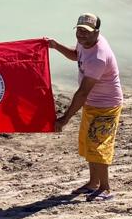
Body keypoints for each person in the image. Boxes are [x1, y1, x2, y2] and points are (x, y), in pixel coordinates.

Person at [47, 13, 123, 201]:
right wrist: (56, 46)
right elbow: (76, 55)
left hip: (106, 105)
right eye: (79, 30)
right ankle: (93, 183)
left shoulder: (98, 57)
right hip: (92, 103)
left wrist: (64, 119)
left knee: (98, 146)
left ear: (97, 32)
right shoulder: (85, 42)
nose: (81, 35)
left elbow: (82, 93)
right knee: (89, 143)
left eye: (86, 32)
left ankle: (105, 188)